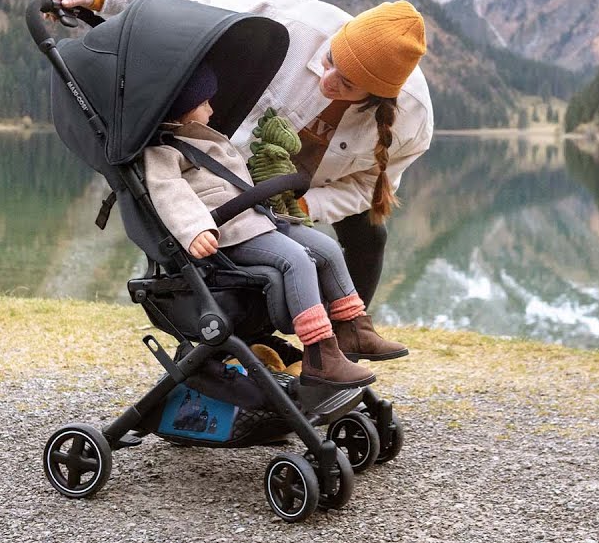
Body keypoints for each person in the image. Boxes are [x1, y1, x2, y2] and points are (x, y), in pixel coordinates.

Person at [47, 0, 433, 319]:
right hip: (243, 174)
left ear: (377, 95)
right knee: (243, 251)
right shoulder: (297, 24)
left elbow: (370, 187)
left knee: (368, 235)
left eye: (346, 83)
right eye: (330, 61)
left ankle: (345, 341)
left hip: (316, 188)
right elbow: (194, 4)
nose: (328, 79)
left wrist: (306, 208)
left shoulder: (412, 121)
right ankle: (247, 341)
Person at [145, 62, 409, 390]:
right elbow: (169, 193)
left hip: (258, 219)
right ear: (182, 111)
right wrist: (194, 230)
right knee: (296, 259)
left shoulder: (208, 138)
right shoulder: (165, 151)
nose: (212, 109)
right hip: (227, 234)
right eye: (204, 104)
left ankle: (354, 329)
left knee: (325, 248)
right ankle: (319, 355)